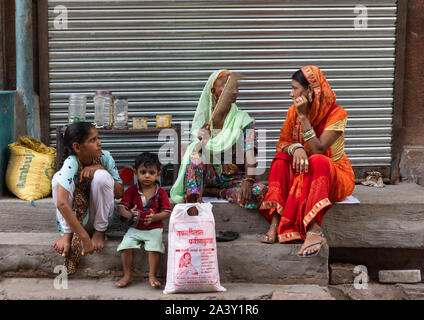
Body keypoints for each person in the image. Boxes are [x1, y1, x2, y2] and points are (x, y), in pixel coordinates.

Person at [259, 65, 355, 257]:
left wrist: (303, 117)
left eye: (295, 88)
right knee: (280, 159)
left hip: (333, 175)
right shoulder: (292, 111)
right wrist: (297, 148)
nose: (290, 93)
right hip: (304, 170)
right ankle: (276, 222)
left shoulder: (337, 114)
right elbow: (282, 144)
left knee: (318, 160)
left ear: (311, 91)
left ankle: (314, 229)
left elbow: (319, 149)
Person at [170, 69, 267, 216]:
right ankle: (193, 204)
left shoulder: (243, 120)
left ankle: (218, 193)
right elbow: (193, 154)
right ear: (213, 91)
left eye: (236, 87)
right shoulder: (205, 122)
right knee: (195, 158)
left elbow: (250, 154)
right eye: (228, 87)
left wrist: (248, 180)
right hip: (209, 177)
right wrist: (203, 141)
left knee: (259, 191)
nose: (235, 91)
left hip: (234, 180)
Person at [52, 122, 124, 271]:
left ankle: (99, 231)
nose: (99, 143)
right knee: (57, 179)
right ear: (77, 147)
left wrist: (101, 168)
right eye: (93, 140)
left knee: (102, 176)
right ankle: (67, 234)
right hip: (76, 222)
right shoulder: (71, 163)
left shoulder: (105, 157)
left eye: (98, 138)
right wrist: (84, 238)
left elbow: (120, 193)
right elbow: (61, 203)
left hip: (98, 218)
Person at [115, 153, 172, 288]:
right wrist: (129, 214)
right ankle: (127, 274)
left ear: (158, 174)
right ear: (136, 173)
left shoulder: (161, 193)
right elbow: (121, 208)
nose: (147, 175)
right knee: (126, 246)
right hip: (135, 228)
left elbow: (167, 212)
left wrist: (155, 217)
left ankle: (152, 275)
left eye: (151, 172)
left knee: (154, 248)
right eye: (143, 172)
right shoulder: (132, 191)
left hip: (154, 228)